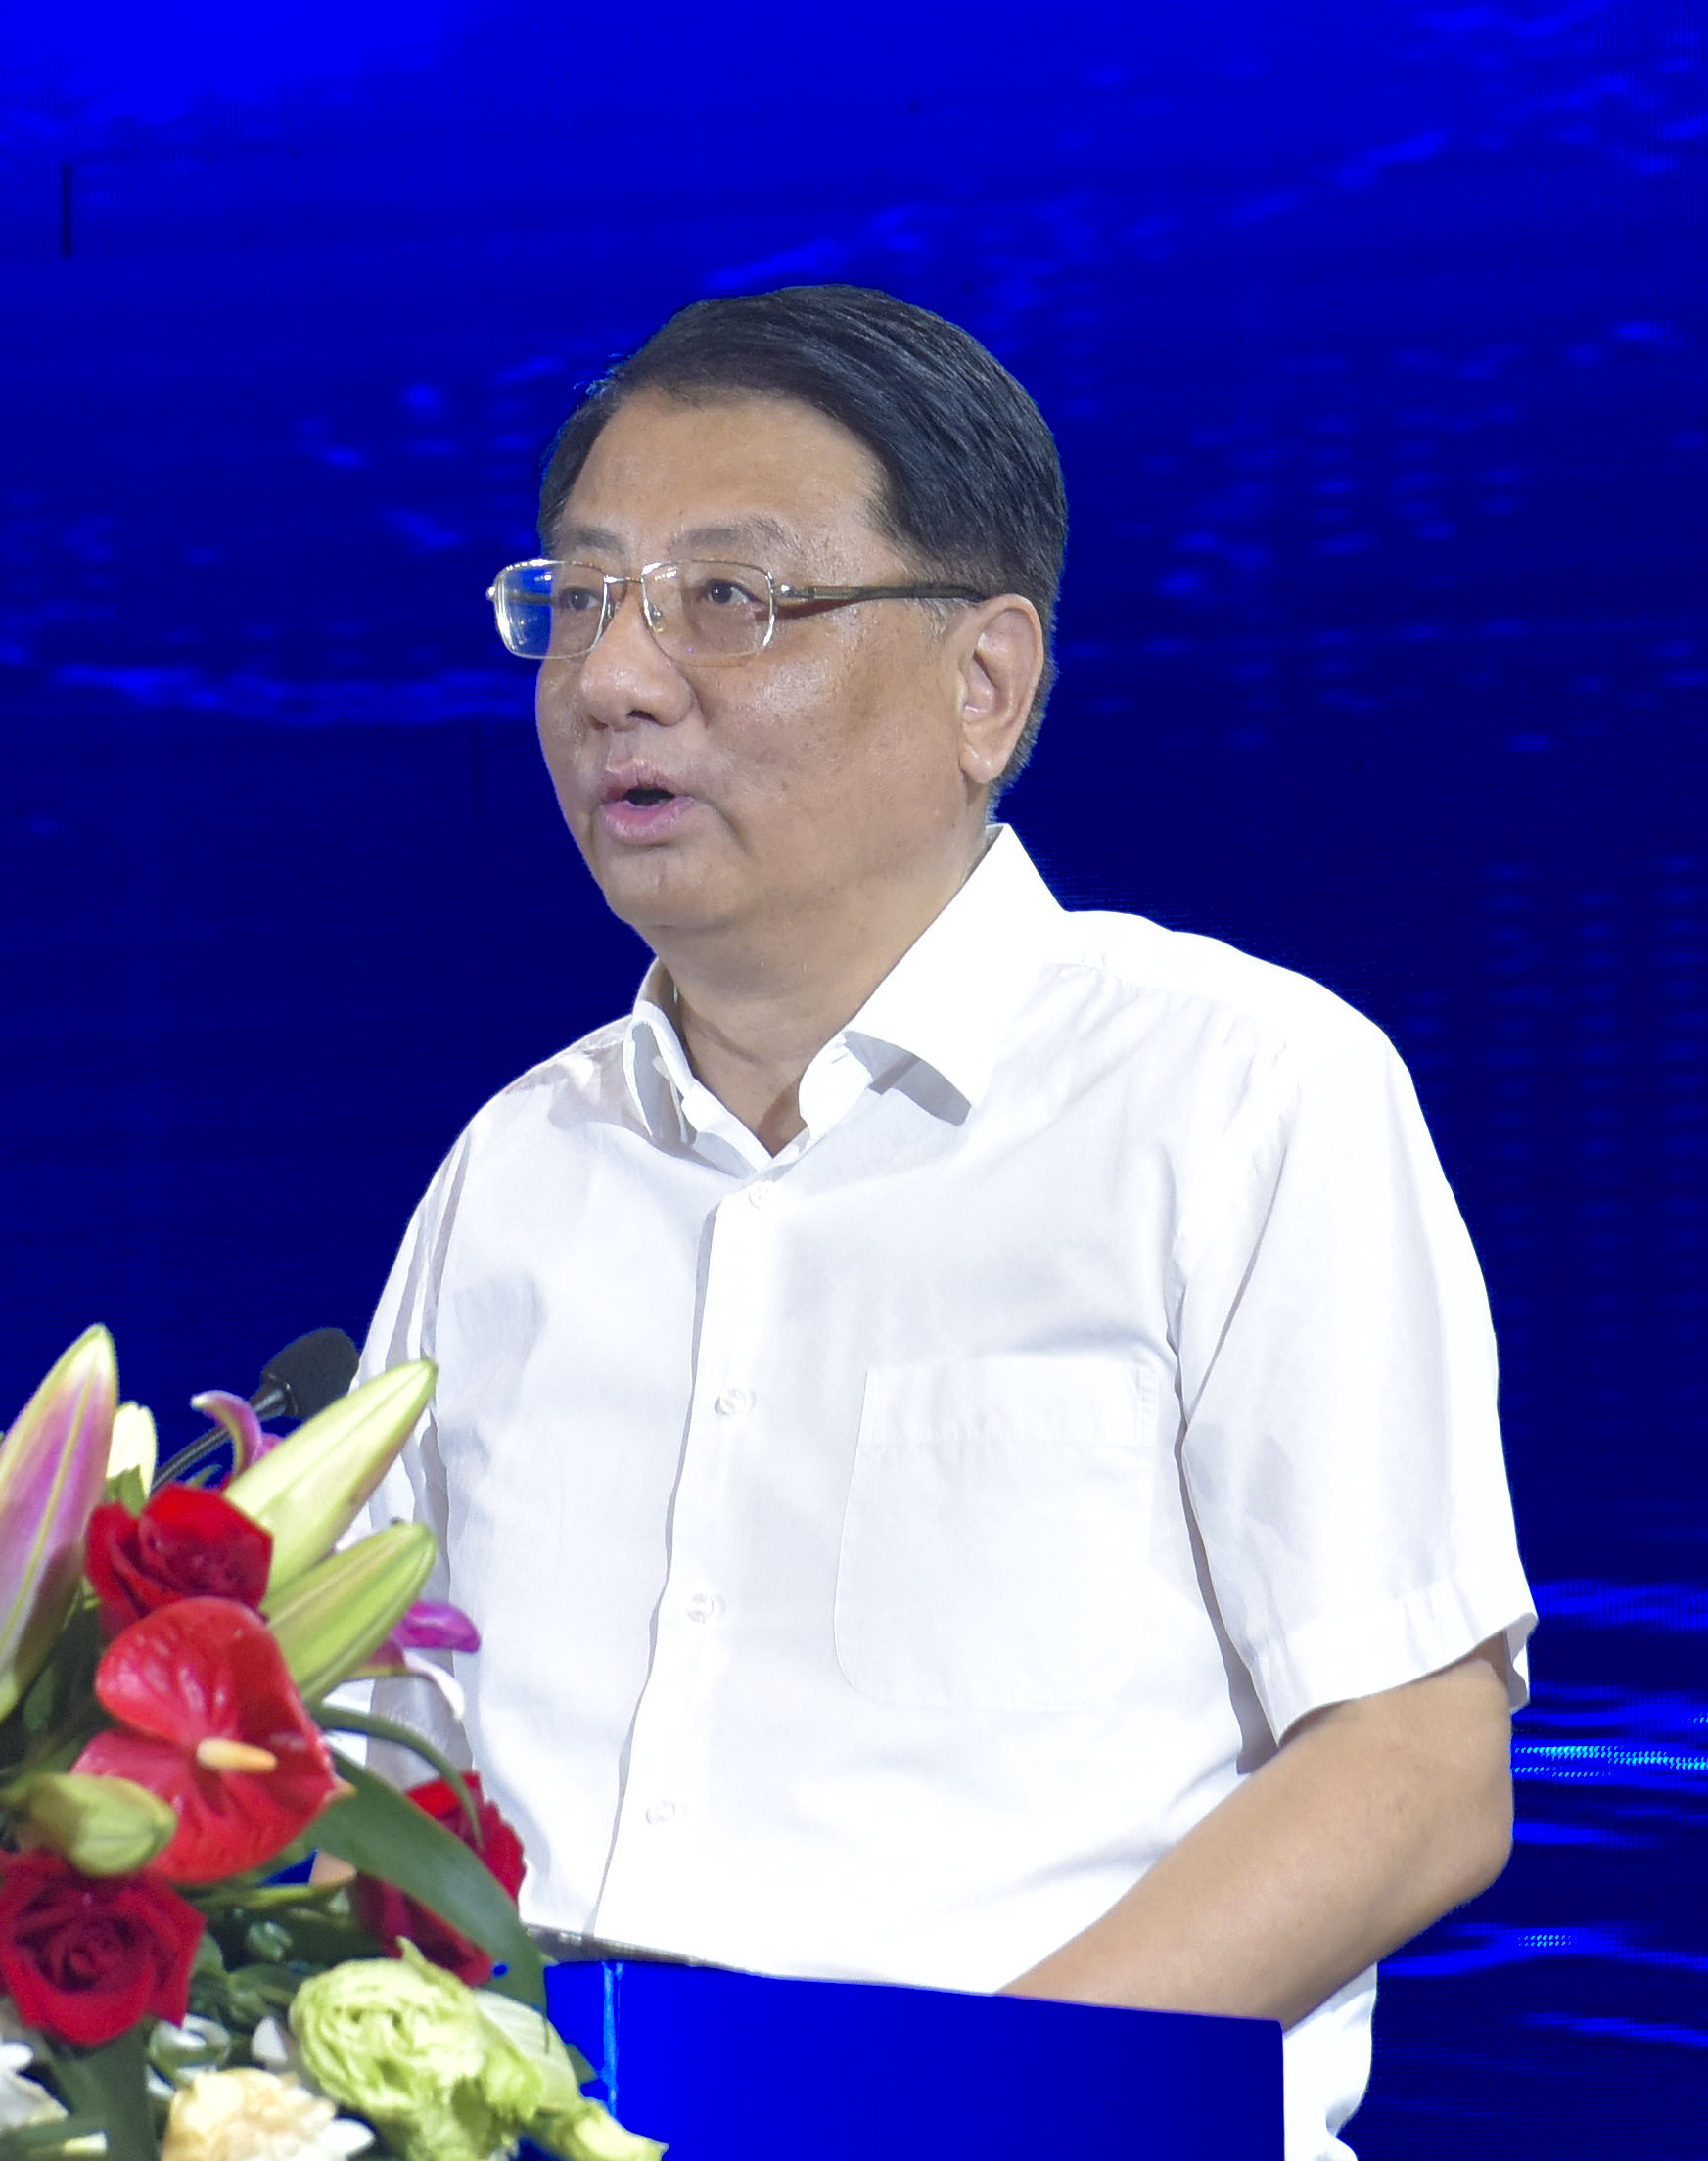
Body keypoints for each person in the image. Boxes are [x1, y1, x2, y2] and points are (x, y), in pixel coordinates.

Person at [352, 284, 1533, 2161]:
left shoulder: (1232, 1089)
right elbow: (378, 1758)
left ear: (984, 681)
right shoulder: (518, 1166)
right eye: (575, 598)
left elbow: (1412, 1769)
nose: (611, 680)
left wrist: (930, 2120)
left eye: (725, 599)